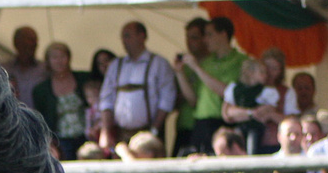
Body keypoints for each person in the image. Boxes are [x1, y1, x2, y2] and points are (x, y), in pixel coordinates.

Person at [98, 21, 177, 153]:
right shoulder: (116, 65)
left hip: (149, 134)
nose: (124, 41)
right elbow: (106, 99)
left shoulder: (158, 64)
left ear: (142, 36)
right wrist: (105, 131)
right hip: (120, 134)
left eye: (128, 36)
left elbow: (167, 99)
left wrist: (154, 130)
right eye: (123, 37)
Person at [174, 16, 248, 154]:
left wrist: (197, 68)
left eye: (209, 35)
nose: (205, 40)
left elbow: (227, 92)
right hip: (200, 123)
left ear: (223, 34)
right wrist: (179, 73)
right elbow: (193, 100)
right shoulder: (206, 63)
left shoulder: (241, 62)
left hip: (223, 123)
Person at [32, 42, 90, 161]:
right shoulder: (41, 90)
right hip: (61, 142)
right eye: (54, 57)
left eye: (62, 56)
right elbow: (41, 119)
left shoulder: (84, 78)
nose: (59, 61)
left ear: (69, 58)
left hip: (87, 137)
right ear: (48, 61)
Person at [221, 58, 281, 155]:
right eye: (262, 72)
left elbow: (267, 111)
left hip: (255, 128)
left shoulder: (267, 91)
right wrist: (251, 113)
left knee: (252, 145)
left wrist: (240, 113)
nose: (265, 76)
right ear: (250, 73)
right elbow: (228, 113)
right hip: (239, 127)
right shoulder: (235, 89)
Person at [170, 18, 209, 155]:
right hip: (182, 125)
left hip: (200, 126)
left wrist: (181, 75)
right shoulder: (185, 66)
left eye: (194, 37)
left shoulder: (210, 65)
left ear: (205, 39)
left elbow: (194, 101)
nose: (189, 42)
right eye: (187, 37)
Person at [5, 27, 48, 112]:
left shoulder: (45, 69)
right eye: (26, 43)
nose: (31, 45)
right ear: (16, 44)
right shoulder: (4, 69)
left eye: (34, 42)